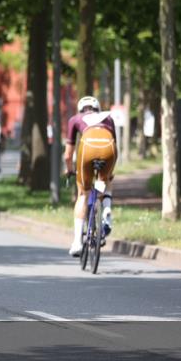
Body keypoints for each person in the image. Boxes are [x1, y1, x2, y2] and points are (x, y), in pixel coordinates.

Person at [64, 96, 117, 257]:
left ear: (81, 109)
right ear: (97, 108)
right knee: (105, 180)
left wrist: (69, 170)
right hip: (109, 149)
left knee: (83, 193)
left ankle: (77, 243)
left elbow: (68, 155)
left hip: (88, 149)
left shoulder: (75, 119)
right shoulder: (108, 117)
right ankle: (106, 210)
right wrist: (110, 172)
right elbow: (115, 145)